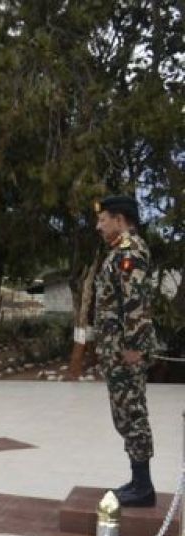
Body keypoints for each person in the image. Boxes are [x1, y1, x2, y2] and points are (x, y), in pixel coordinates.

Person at [94, 194, 158, 507]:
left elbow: (135, 303)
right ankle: (138, 480)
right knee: (124, 415)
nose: (98, 226)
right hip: (117, 351)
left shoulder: (130, 251)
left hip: (126, 352)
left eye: (103, 220)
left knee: (132, 413)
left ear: (119, 220)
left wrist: (133, 347)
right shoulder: (119, 252)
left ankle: (143, 488)